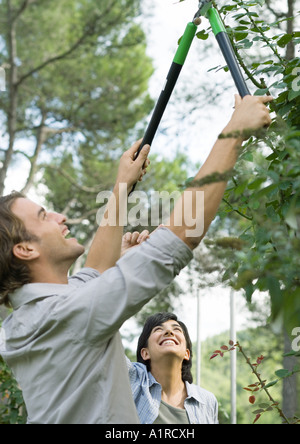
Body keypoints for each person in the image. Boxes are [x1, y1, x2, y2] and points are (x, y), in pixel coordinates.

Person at [0, 95, 272, 424]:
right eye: (44, 216)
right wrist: (235, 131)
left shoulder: (34, 315)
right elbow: (179, 237)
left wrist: (122, 186)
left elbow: (96, 269)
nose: (60, 216)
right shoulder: (63, 314)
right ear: (25, 250)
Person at [127, 312, 219, 424]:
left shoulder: (207, 400)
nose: (169, 332)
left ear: (186, 353)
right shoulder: (132, 380)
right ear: (145, 353)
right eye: (158, 329)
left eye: (177, 329)